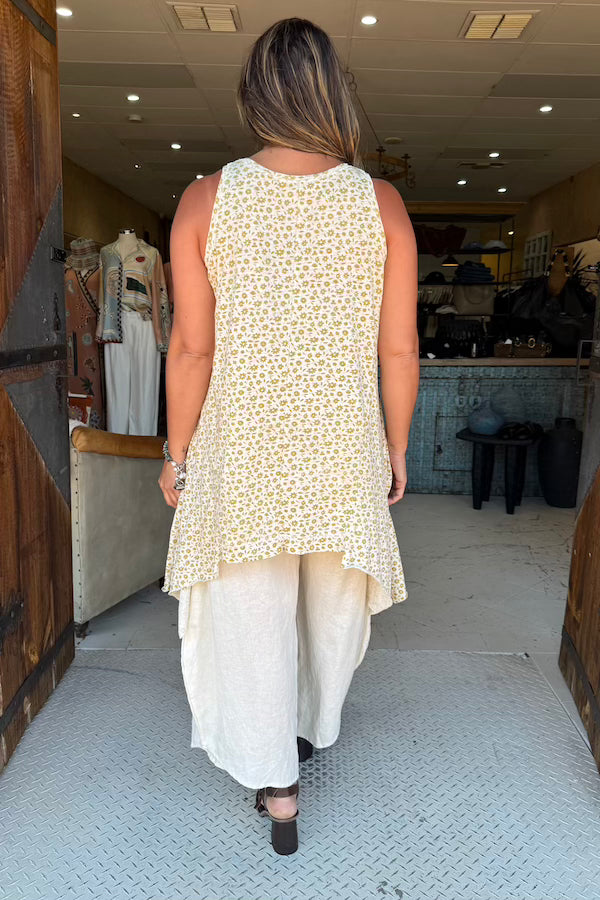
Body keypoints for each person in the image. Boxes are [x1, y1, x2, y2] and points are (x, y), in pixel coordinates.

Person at [159, 17, 419, 856]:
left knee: (251, 615)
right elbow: (399, 348)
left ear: (254, 95)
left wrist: (176, 453)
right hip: (342, 449)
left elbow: (192, 348)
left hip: (245, 454)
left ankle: (277, 785)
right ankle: (307, 731)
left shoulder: (207, 199)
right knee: (330, 611)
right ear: (334, 93)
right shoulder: (379, 203)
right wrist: (398, 448)